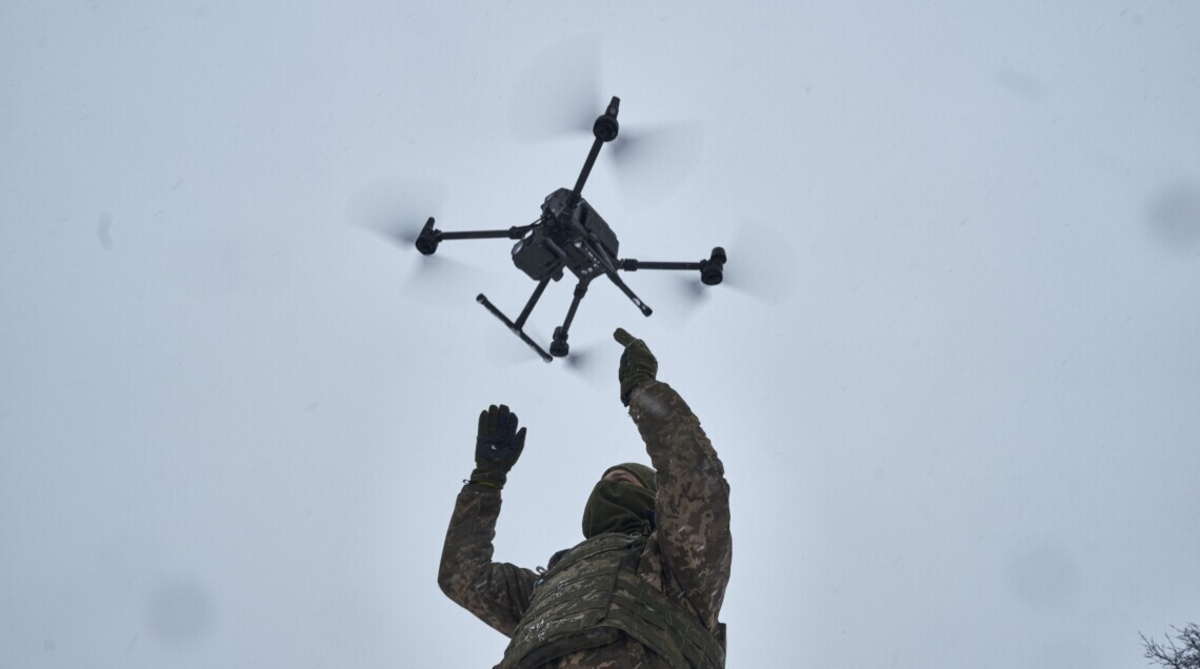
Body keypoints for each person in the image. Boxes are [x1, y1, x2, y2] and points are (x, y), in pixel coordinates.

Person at [438, 328, 731, 669]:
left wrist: (641, 390)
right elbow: (463, 577)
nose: (610, 482)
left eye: (626, 478)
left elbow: (692, 475)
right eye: (605, 480)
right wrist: (486, 482)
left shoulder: (677, 563)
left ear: (655, 499)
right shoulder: (548, 586)